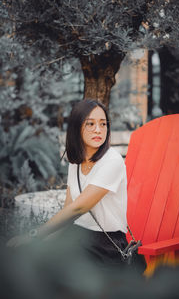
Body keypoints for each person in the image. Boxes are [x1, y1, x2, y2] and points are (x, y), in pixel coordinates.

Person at [7, 99, 128, 268]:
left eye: (103, 124)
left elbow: (78, 208)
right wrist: (39, 243)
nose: (98, 130)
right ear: (77, 127)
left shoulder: (112, 161)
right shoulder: (76, 162)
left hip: (105, 244)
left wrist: (33, 235)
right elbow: (68, 209)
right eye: (90, 124)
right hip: (77, 237)